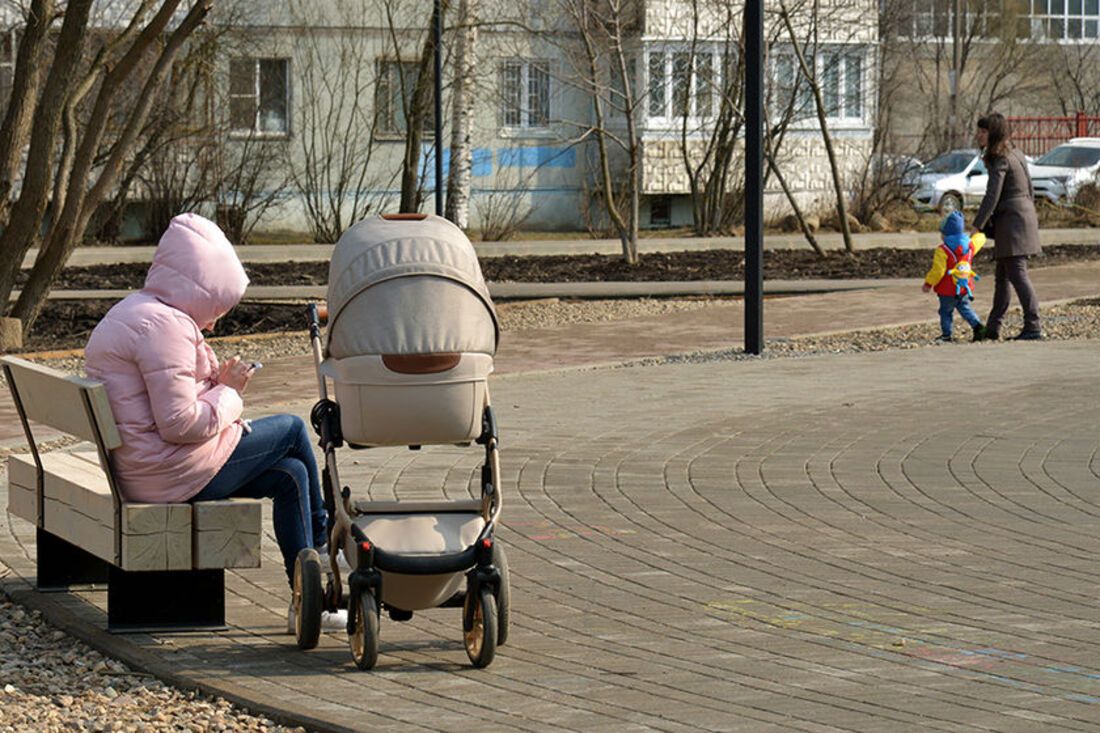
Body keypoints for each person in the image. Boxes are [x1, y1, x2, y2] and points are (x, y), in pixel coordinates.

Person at [84, 213, 344, 631]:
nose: (216, 319)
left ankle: (308, 598)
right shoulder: (165, 328)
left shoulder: (139, 311)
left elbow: (162, 409)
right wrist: (230, 391)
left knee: (290, 474)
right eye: (217, 306)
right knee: (294, 430)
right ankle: (325, 543)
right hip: (166, 472)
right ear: (200, 291)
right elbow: (179, 424)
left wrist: (215, 383)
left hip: (145, 465)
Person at [971, 112, 1043, 341]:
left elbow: (992, 195)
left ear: (994, 134)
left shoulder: (999, 157)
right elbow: (1029, 188)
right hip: (1021, 218)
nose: (978, 135)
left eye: (983, 132)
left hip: (1012, 223)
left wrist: (977, 225)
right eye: (979, 131)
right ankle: (993, 328)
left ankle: (1033, 326)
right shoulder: (1015, 152)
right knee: (1003, 276)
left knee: (1018, 274)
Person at [922, 210, 987, 343]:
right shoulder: (970, 245)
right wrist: (979, 233)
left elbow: (938, 271)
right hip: (963, 286)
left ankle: (947, 335)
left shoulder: (942, 250)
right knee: (965, 308)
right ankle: (978, 327)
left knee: (945, 312)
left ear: (945, 234)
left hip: (946, 289)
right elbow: (980, 239)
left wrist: (928, 283)